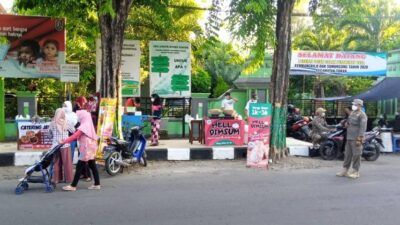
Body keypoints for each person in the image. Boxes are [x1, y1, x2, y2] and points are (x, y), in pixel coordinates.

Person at [61, 109, 100, 191]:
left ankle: (73, 185)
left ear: (83, 117)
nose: (78, 118)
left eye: (79, 116)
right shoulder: (88, 124)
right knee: (92, 165)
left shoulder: (84, 126)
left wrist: (64, 141)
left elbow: (75, 136)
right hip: (90, 148)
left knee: (79, 166)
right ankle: (97, 184)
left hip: (86, 148)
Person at [336, 99, 367, 179]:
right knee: (347, 154)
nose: (353, 106)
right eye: (353, 104)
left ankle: (355, 171)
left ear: (359, 105)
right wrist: (346, 124)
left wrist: (359, 139)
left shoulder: (362, 115)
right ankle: (345, 170)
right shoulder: (352, 113)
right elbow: (349, 122)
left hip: (356, 137)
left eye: (355, 104)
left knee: (357, 154)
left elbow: (363, 128)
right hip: (349, 137)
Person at [49, 108, 73, 184]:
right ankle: (68, 179)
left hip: (55, 146)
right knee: (67, 163)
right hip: (65, 145)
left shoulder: (52, 123)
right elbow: (73, 131)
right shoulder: (67, 122)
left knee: (56, 163)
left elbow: (49, 135)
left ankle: (56, 179)